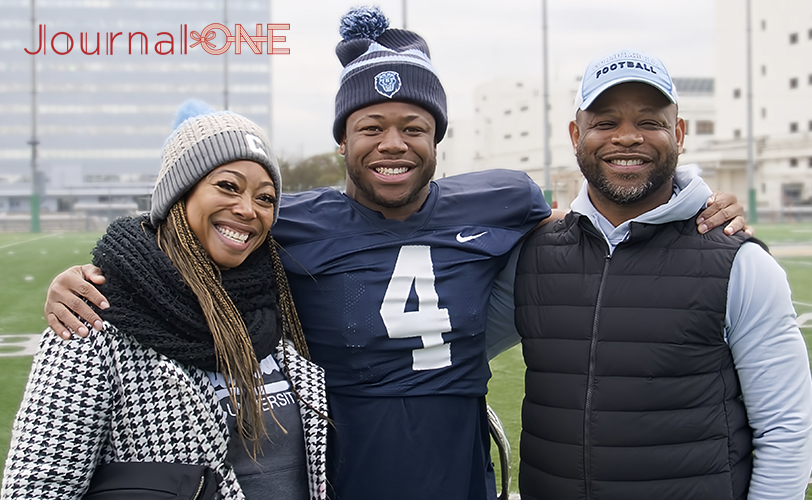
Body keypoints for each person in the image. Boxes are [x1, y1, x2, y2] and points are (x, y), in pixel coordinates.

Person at [41, 9, 747, 500]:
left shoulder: (505, 198)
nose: (392, 143)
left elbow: (606, 208)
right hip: (338, 467)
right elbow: (190, 233)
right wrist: (86, 278)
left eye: (413, 125)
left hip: (455, 462)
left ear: (438, 138)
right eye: (369, 126)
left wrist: (698, 201)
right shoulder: (291, 220)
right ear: (341, 141)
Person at [513, 50, 812, 500]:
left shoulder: (741, 262)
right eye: (605, 122)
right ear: (577, 135)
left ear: (679, 133)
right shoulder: (533, 252)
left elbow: (786, 427)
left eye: (650, 122)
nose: (627, 137)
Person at [1, 104, 328, 500]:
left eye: (265, 198)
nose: (247, 209)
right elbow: (36, 491)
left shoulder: (277, 305)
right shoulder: (92, 320)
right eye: (228, 186)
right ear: (179, 193)